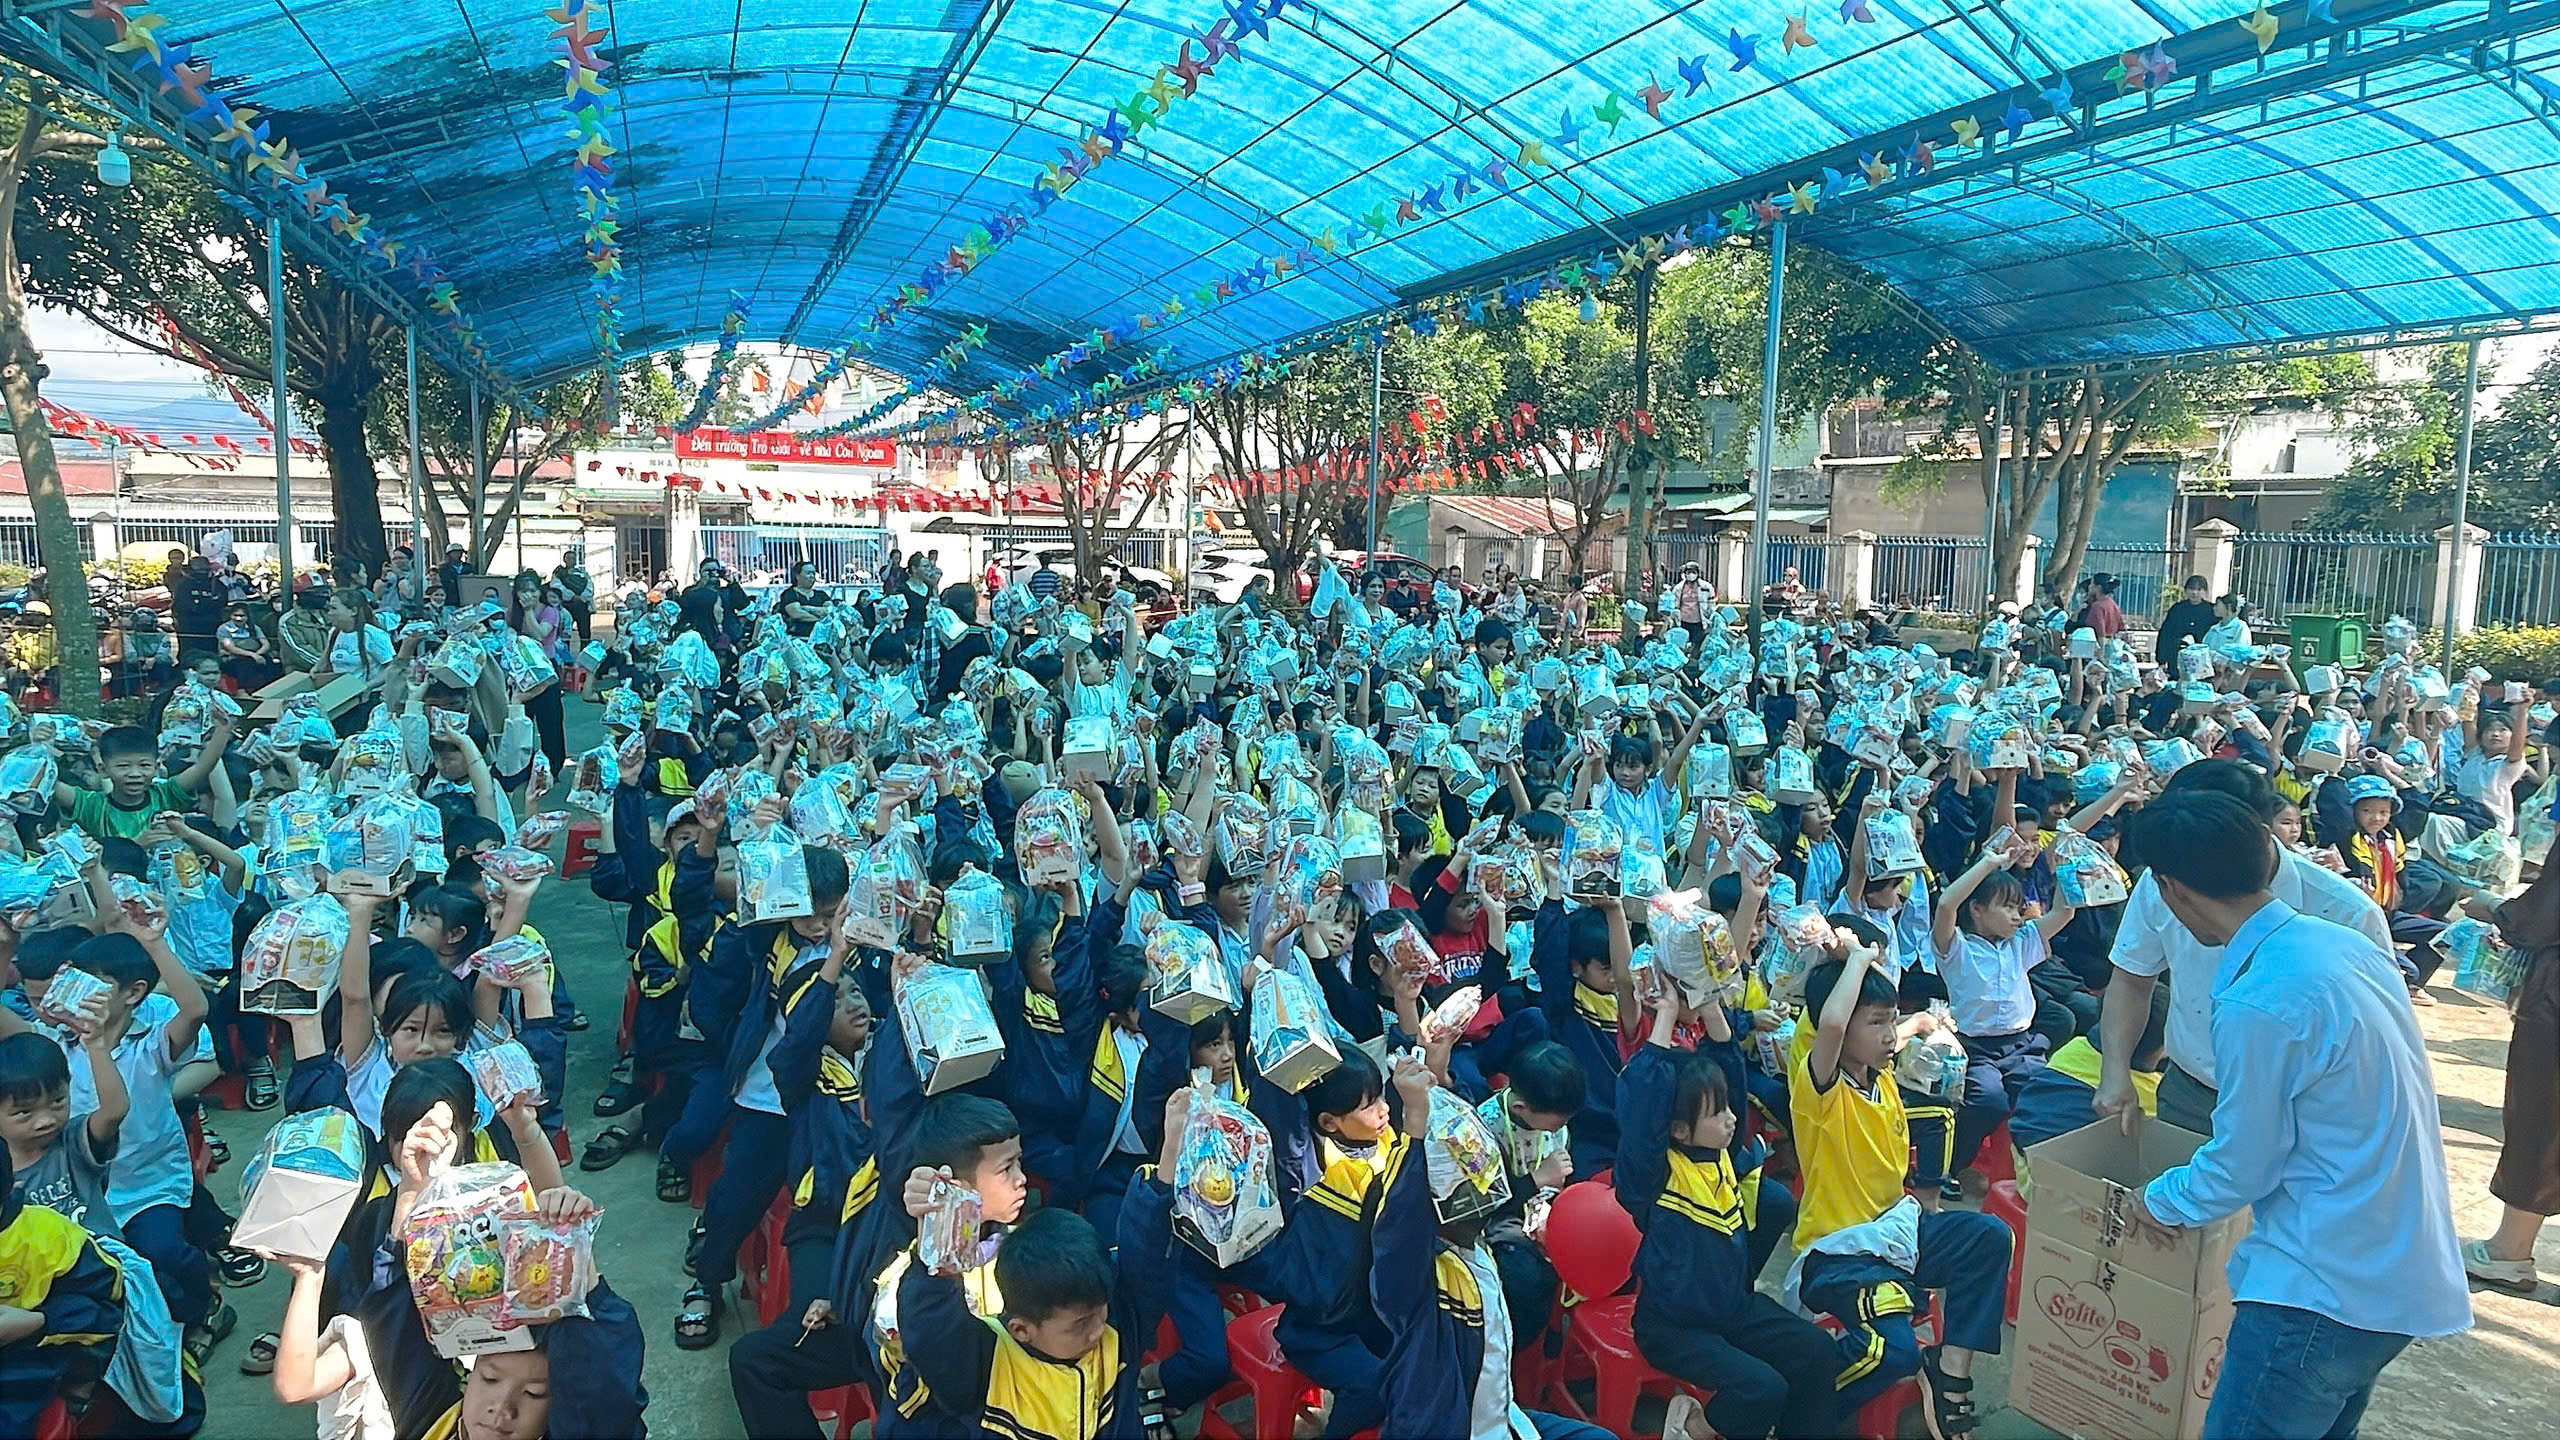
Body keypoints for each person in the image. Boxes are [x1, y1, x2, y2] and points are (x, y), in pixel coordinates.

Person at [2125, 789, 2469, 1440]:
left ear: (2171, 889)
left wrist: (2159, 1201)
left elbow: (2243, 1164)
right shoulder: (2344, 944)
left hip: (2317, 1291)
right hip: (2391, 1266)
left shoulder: (2259, 998)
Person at [1791, 918, 2012, 1440]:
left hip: (1896, 1236)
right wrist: (1855, 959)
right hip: (1838, 1252)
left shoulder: (1883, 1078)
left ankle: (1949, 1371)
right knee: (1891, 1351)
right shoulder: (1820, 1089)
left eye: (1892, 1021)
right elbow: (1831, 1022)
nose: (1891, 1034)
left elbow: (1875, 1013)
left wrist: (1869, 970)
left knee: (1989, 1236)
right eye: (1876, 1024)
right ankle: (1796, 1405)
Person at [2098, 759, 2390, 1136]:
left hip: (2303, 1113)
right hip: (2192, 1092)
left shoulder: (2348, 914)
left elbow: (2372, 1052)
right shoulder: (2167, 875)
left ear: (2257, 833)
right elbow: (2131, 977)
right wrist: (2115, 1071)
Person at [2155, 574, 2216, 660]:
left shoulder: (2211, 610)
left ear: (2205, 591)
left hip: (2202, 657)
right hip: (2176, 655)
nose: (2194, 593)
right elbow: (2165, 633)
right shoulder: (2177, 609)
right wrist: (2161, 658)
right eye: (2191, 589)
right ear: (2186, 590)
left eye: (2199, 589)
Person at [775, 561, 830, 639]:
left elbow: (830, 611)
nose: (812, 576)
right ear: (797, 576)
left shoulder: (821, 595)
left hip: (822, 638)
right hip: (797, 638)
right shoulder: (790, 594)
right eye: (808, 573)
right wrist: (821, 619)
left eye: (813, 573)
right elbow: (797, 614)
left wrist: (807, 608)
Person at [552, 548, 595, 642]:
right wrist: (571, 596)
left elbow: (590, 587)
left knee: (585, 632)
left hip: (582, 605)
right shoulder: (559, 573)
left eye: (573, 558)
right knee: (565, 631)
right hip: (566, 605)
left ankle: (584, 648)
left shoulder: (583, 573)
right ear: (564, 560)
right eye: (569, 558)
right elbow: (556, 586)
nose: (571, 560)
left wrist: (582, 597)